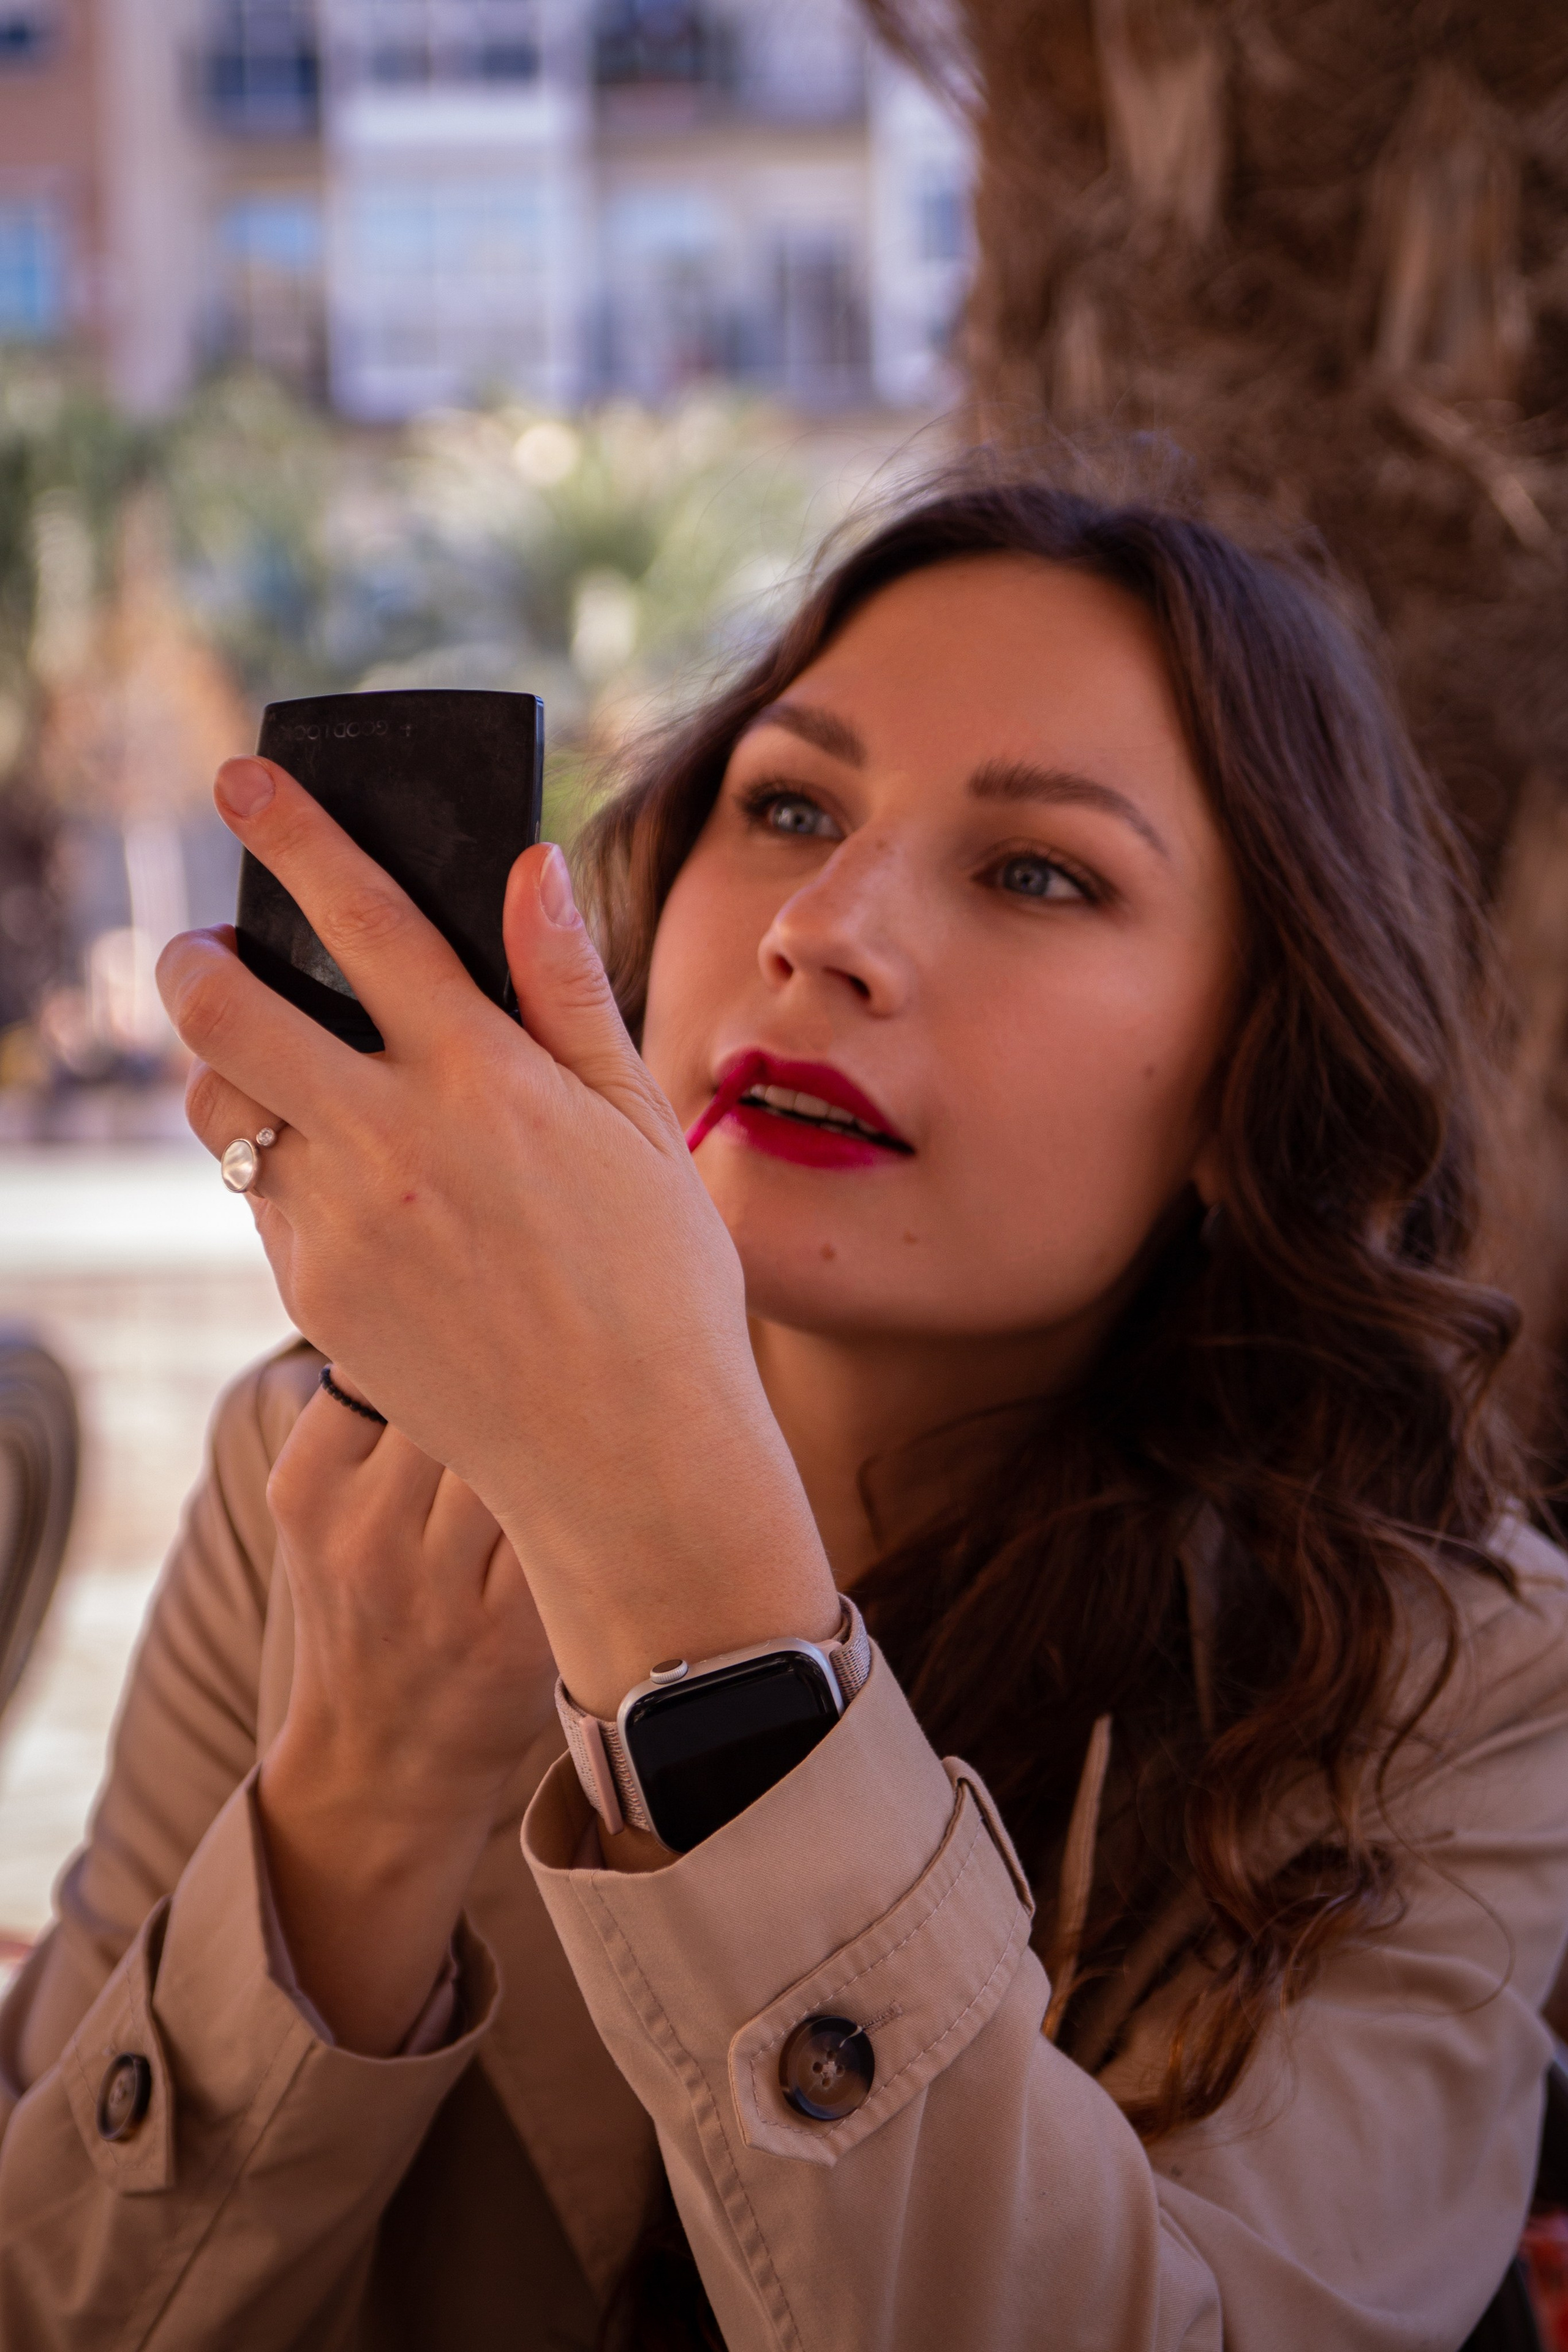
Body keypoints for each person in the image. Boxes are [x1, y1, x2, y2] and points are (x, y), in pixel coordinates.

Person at [2, 475, 1565, 2352]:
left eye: (1039, 872)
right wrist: (349, 1826)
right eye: (792, 807)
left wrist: (690, 1591)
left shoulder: (1463, 1679)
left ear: (1255, 1082)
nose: (826, 928)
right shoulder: (325, 1478)